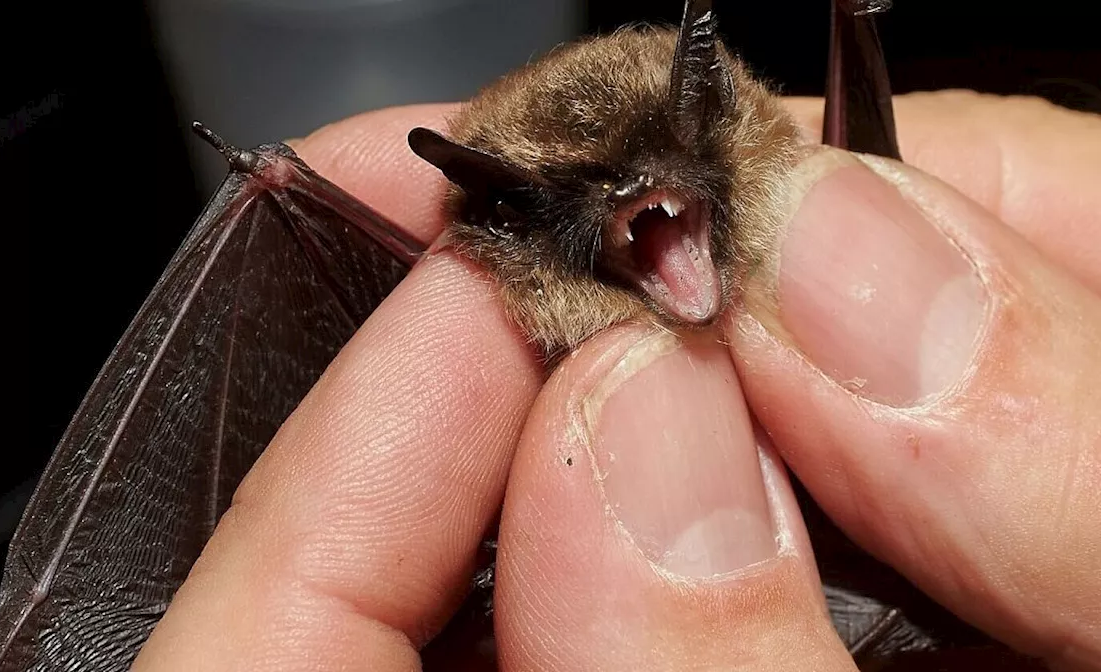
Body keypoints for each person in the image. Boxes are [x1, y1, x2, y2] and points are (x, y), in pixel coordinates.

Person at [131, 92, 1101, 671]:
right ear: (509, 222)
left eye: (661, 168)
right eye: (586, 198)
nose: (636, 196)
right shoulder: (503, 307)